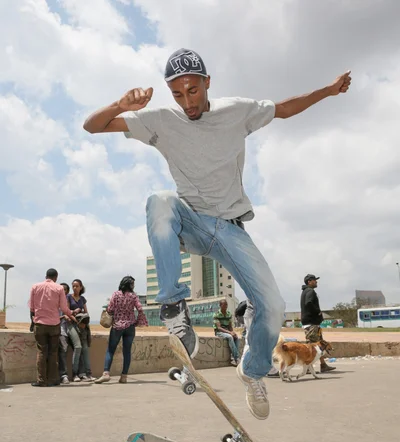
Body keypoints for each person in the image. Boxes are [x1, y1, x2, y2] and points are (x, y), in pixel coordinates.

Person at [83, 48, 351, 419]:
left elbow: (285, 108)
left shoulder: (236, 110)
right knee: (159, 201)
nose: (187, 102)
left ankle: (253, 371)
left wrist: (329, 90)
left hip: (230, 230)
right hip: (190, 221)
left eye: (193, 91)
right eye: (177, 94)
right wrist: (120, 104)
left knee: (272, 306)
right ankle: (174, 308)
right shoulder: (160, 119)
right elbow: (92, 126)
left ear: (207, 83)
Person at [95, 276, 148, 384]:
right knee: (127, 351)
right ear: (129, 284)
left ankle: (106, 373)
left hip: (117, 326)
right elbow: (140, 309)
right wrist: (138, 320)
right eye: (132, 284)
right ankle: (124, 376)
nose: (134, 286)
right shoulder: (133, 296)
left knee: (110, 350)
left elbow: (110, 309)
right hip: (130, 326)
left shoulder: (116, 294)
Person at [29, 268, 75, 387]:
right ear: (56, 277)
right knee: (53, 352)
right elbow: (64, 308)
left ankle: (41, 380)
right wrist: (71, 314)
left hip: (39, 324)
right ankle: (53, 380)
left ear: (46, 276)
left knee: (41, 352)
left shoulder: (35, 287)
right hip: (54, 325)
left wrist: (33, 321)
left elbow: (32, 308)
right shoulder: (59, 288)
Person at [300, 274, 336, 373]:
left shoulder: (305, 291)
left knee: (319, 345)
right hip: (311, 323)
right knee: (313, 346)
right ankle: (307, 367)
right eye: (314, 280)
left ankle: (323, 365)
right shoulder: (310, 291)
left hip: (311, 323)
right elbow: (309, 303)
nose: (316, 282)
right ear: (309, 282)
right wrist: (318, 312)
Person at [67, 279, 94, 382]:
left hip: (83, 326)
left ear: (81, 287)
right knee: (78, 347)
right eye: (73, 286)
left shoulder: (82, 299)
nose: (75, 288)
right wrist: (75, 315)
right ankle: (74, 374)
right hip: (72, 325)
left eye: (77, 286)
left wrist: (83, 322)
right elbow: (67, 312)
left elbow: (86, 313)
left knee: (85, 349)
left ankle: (89, 374)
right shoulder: (69, 297)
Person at [213, 299, 240, 366]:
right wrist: (229, 333)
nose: (226, 306)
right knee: (230, 337)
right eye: (224, 305)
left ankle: (233, 358)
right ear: (220, 305)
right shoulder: (216, 314)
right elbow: (219, 328)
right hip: (219, 332)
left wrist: (232, 332)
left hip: (227, 331)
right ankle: (236, 358)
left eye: (226, 304)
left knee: (236, 337)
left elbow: (230, 326)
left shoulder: (229, 314)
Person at [58, 282, 72, 384]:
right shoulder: (55, 301)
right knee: (62, 351)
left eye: (65, 290)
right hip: (59, 329)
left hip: (68, 330)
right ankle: (63, 375)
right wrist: (64, 316)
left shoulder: (69, 301)